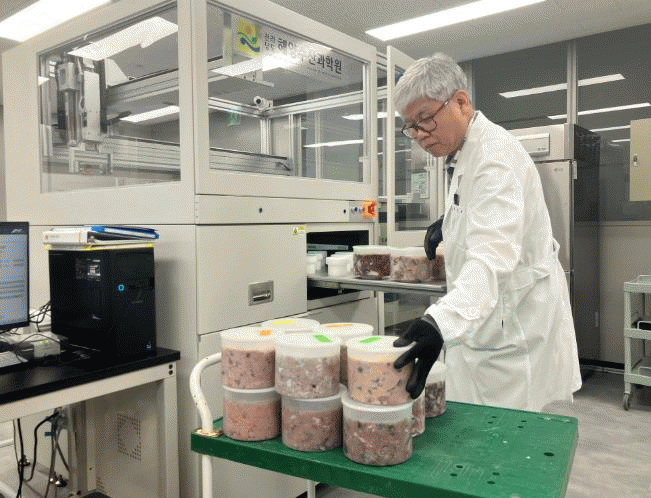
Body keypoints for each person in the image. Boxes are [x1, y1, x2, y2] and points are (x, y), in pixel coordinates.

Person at [392, 53, 581, 412]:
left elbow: (492, 257)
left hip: (513, 335)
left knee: (506, 433)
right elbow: (485, 208)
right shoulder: (466, 149)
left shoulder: (495, 157)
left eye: (425, 119)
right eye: (410, 126)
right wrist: (451, 220)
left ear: (461, 103)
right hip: (491, 326)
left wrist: (439, 323)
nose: (419, 135)